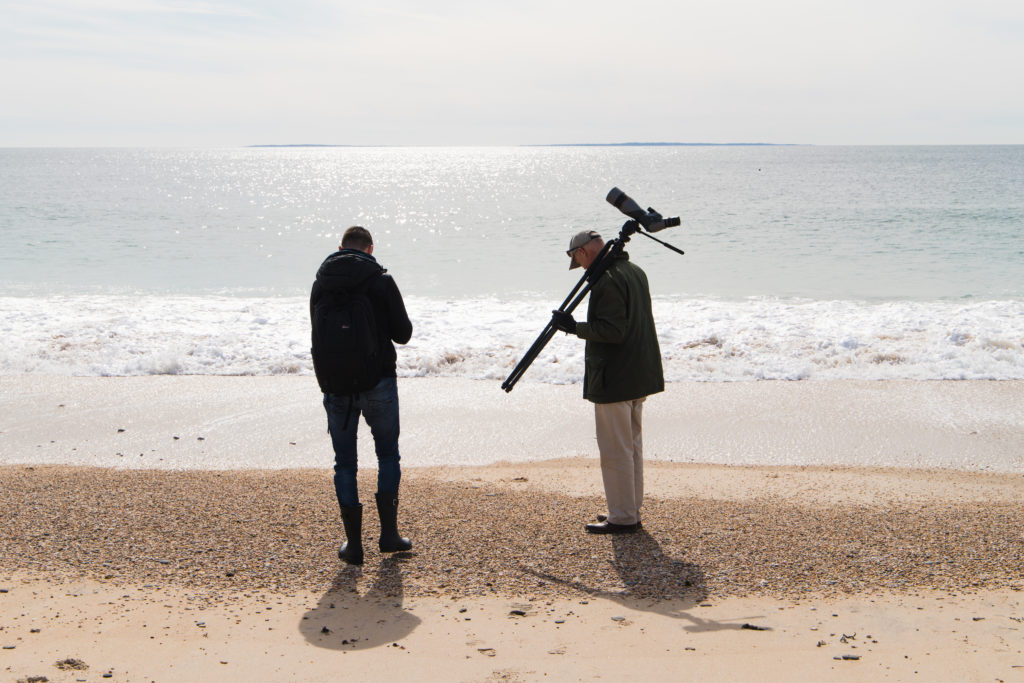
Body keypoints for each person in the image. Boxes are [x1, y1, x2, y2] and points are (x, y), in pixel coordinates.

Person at [310, 226, 413, 565]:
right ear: (370, 249)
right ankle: (389, 535)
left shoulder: (320, 283)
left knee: (345, 463)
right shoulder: (380, 280)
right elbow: (404, 334)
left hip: (336, 385)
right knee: (387, 455)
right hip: (378, 380)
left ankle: (353, 545)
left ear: (340, 247)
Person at [550, 230, 664, 534]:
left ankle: (623, 517)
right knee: (632, 446)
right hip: (639, 371)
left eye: (578, 261)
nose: (582, 268)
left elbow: (613, 331)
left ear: (583, 252)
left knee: (616, 450)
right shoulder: (634, 271)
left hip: (615, 376)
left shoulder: (608, 279)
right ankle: (629, 510)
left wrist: (575, 328)